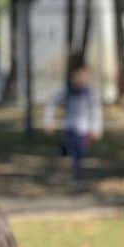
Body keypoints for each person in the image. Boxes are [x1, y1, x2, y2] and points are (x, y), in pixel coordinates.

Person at [44, 59, 103, 187]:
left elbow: (96, 111)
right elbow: (51, 103)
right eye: (78, 75)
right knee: (74, 153)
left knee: (80, 152)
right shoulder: (67, 92)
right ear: (72, 77)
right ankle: (75, 177)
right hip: (70, 127)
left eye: (84, 75)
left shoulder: (90, 93)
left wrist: (97, 128)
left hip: (84, 129)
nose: (81, 78)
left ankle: (74, 173)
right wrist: (48, 122)